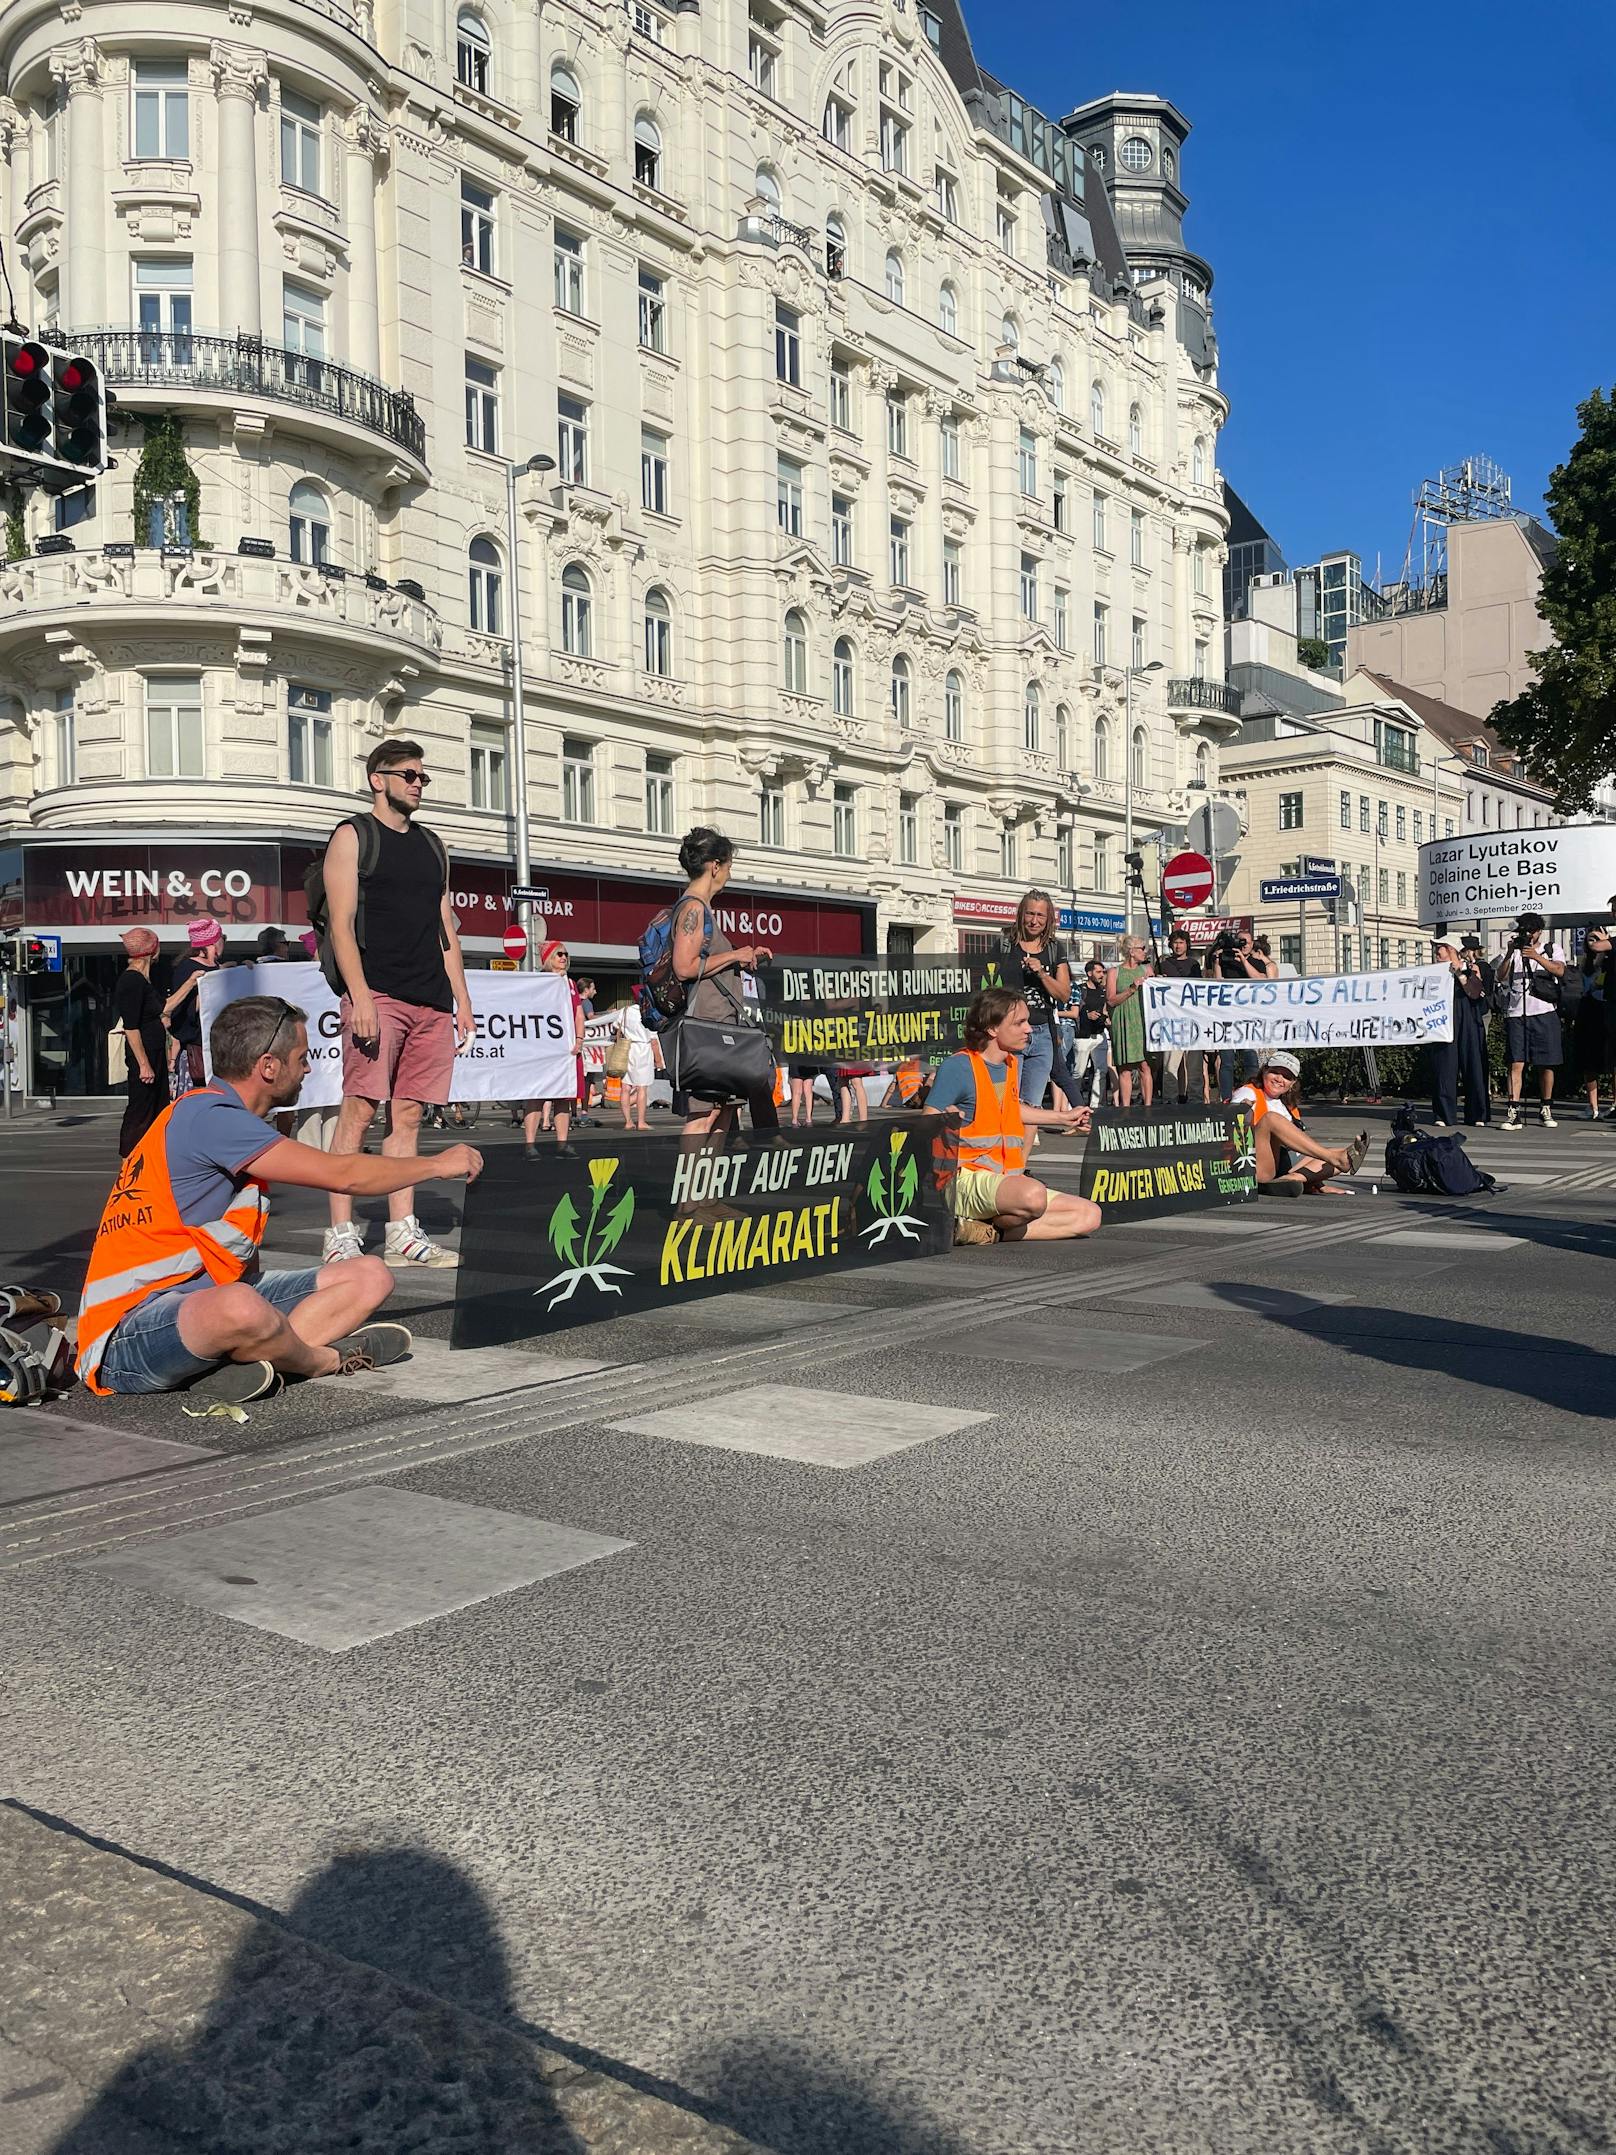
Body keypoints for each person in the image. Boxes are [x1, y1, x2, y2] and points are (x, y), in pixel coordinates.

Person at [75, 994, 483, 1404]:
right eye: (301, 1057)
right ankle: (317, 1361)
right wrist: (435, 1165)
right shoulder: (211, 1118)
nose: (307, 1068)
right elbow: (343, 1175)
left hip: (198, 1307)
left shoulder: (222, 1117)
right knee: (240, 1306)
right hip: (125, 1336)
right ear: (268, 1066)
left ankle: (247, 1360)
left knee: (370, 1275)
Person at [321, 739, 473, 1267]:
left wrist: (463, 1001)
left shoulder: (434, 846)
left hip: (430, 999)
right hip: (378, 994)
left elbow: (444, 930)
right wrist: (359, 996)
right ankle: (340, 1231)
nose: (417, 783)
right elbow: (340, 925)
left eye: (422, 777)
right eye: (408, 774)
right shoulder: (352, 836)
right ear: (377, 779)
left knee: (407, 1117)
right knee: (359, 1110)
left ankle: (402, 1231)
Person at [927, 987, 1100, 1246]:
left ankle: (986, 1231)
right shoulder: (959, 1066)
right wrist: (946, 1119)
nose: (1029, 1029)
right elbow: (928, 1118)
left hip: (1005, 1178)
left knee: (1089, 1215)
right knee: (1033, 1195)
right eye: (1019, 1023)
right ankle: (969, 1218)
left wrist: (1063, 1118)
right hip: (963, 1178)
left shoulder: (1010, 1063)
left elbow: (1010, 1109)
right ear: (992, 1028)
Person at [665, 826, 779, 1136]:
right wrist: (733, 956)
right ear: (715, 866)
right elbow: (685, 967)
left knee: (724, 1112)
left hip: (719, 1025)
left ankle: (707, 1184)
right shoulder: (693, 908)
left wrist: (743, 957)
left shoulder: (703, 909)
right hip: (705, 1027)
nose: (729, 874)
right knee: (703, 1115)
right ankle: (689, 1184)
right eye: (728, 866)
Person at [1233, 1051, 1367, 1195]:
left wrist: (1318, 1183)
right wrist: (1241, 1110)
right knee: (1270, 1119)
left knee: (1341, 1154)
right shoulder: (1248, 1092)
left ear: (1292, 1083)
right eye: (1275, 1072)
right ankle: (1331, 1160)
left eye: (1286, 1076)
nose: (1279, 1078)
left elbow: (1299, 1148)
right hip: (1254, 1164)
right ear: (1264, 1071)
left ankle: (1289, 1180)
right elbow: (1229, 1120)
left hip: (1282, 1165)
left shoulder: (1287, 1106)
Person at [998, 889, 1072, 1109]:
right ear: (1021, 914)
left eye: (1040, 916)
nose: (1034, 921)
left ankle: (1027, 1143)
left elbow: (1064, 995)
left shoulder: (1053, 949)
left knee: (1033, 1105)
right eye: (1030, 914)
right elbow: (988, 988)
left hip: (1042, 1034)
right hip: (1011, 1032)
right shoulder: (1004, 946)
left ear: (1048, 919)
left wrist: (1041, 974)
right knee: (1008, 1102)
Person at [1496, 910, 1567, 1130]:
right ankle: (1513, 1110)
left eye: (1529, 932)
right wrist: (1509, 953)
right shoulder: (1515, 952)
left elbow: (1560, 970)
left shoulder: (1551, 949)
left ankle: (1546, 1106)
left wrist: (1536, 956)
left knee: (1547, 1062)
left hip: (1544, 1011)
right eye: (1522, 932)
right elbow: (1500, 976)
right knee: (1516, 1061)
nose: (1525, 936)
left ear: (1538, 932)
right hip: (1518, 1012)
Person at [523, 941, 586, 1156]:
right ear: (548, 958)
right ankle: (530, 1144)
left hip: (566, 1048)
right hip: (543, 1048)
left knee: (564, 1097)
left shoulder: (569, 984)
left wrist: (579, 1038)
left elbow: (578, 1013)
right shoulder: (539, 982)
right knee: (537, 1095)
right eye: (559, 954)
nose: (563, 958)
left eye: (566, 954)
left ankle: (562, 1143)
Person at [113, 926, 168, 1159]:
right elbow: (131, 1027)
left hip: (155, 1052)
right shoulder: (131, 981)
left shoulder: (143, 979)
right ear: (151, 950)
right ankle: (129, 1160)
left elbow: (162, 1008)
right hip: (144, 1056)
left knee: (157, 1108)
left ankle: (150, 1158)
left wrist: (191, 983)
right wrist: (144, 1064)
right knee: (140, 1109)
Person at [1428, 933, 1492, 1128]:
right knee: (1444, 1066)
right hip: (1444, 1020)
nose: (1436, 952)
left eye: (1439, 948)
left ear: (1450, 950)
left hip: (1469, 1020)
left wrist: (1460, 974)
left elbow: (1477, 994)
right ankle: (1444, 1113)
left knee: (1473, 1064)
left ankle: (1477, 1113)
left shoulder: (1471, 969)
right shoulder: (1434, 972)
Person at [1209, 929, 1275, 1099]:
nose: (1243, 945)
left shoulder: (1256, 961)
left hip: (1249, 1017)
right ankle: (1226, 1097)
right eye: (1240, 941)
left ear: (1252, 944)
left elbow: (1261, 979)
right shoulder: (1226, 960)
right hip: (1228, 1016)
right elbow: (1218, 983)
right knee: (1227, 1061)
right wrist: (1217, 963)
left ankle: (1249, 1094)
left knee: (1250, 1060)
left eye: (1246, 942)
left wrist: (1244, 961)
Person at [162, 917, 225, 1089]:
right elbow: (181, 1011)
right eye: (222, 938)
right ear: (214, 941)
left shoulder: (218, 967)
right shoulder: (187, 968)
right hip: (198, 1047)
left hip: (220, 1044)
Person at [1155, 928, 1204, 1105]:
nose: (1178, 946)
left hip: (1192, 1021)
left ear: (1187, 945)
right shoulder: (1163, 964)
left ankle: (1196, 1101)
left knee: (1194, 1066)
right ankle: (1170, 1100)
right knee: (1170, 1066)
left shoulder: (1194, 965)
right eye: (1175, 942)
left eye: (1181, 942)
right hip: (1171, 1021)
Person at [1106, 936, 1155, 1110]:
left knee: (1145, 1066)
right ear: (1132, 951)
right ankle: (1125, 1110)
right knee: (1124, 1067)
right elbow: (1111, 1000)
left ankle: (1148, 1108)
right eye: (1142, 948)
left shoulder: (1147, 969)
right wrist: (1131, 989)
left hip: (1142, 1020)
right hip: (1123, 1020)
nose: (1145, 951)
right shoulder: (1114, 972)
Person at [1573, 926, 1612, 1119]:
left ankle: (1614, 1103)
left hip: (1607, 1009)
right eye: (1590, 939)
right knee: (1589, 1060)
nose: (1594, 942)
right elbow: (1587, 985)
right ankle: (1592, 1105)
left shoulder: (1611, 957)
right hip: (1588, 1009)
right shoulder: (1584, 962)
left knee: (1611, 1059)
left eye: (1597, 938)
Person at [1068, 957, 1112, 1107]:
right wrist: (1086, 1015)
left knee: (1102, 1070)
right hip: (1083, 1036)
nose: (1102, 975)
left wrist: (1106, 1019)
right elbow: (1073, 1010)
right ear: (1089, 973)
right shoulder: (1080, 990)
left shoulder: (1103, 991)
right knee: (1078, 1072)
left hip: (1100, 1035)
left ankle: (1096, 1103)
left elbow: (1105, 1008)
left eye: (1103, 972)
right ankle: (1073, 1103)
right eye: (1098, 972)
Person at [614, 995, 660, 1132]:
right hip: (643, 1050)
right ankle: (641, 1122)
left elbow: (616, 1026)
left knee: (626, 1087)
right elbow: (654, 1040)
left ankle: (628, 1121)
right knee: (642, 1088)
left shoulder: (625, 1010)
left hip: (627, 1048)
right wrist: (659, 1061)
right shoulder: (649, 1014)